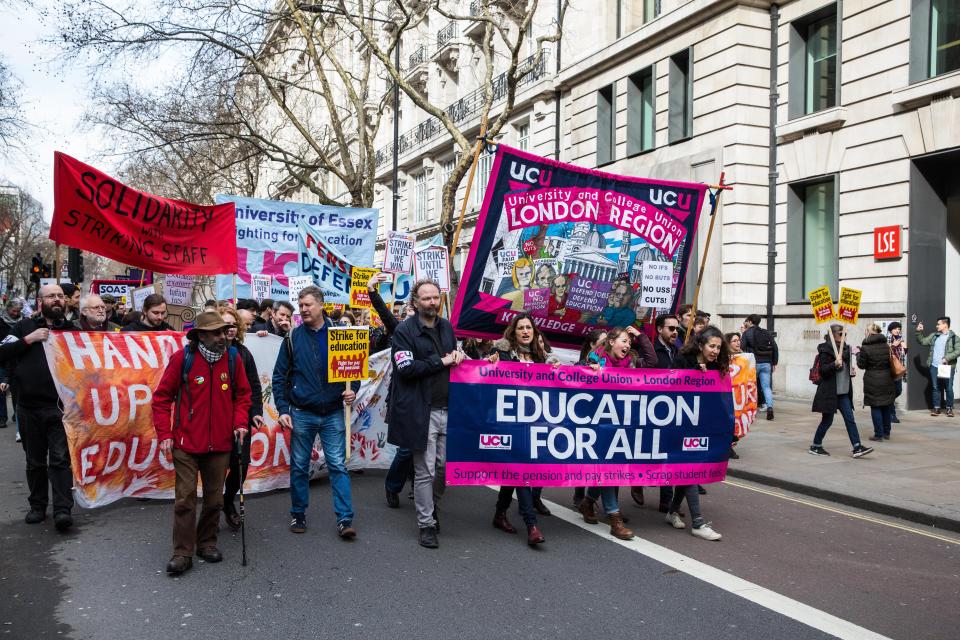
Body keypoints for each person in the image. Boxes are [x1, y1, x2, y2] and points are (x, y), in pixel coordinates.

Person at [152, 311, 252, 574]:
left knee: (214, 500)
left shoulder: (233, 359)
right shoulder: (182, 359)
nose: (223, 336)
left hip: (220, 444)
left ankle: (206, 543)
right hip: (186, 443)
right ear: (202, 336)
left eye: (224, 331)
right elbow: (161, 398)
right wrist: (164, 435)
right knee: (185, 499)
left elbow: (243, 394)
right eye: (217, 333)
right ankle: (182, 552)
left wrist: (240, 422)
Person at [273, 286, 359, 538]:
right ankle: (298, 513)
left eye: (308, 304)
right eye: (300, 306)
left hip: (333, 411)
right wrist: (283, 408)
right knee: (299, 466)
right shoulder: (292, 339)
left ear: (321, 305)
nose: (303, 309)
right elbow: (279, 377)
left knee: (337, 465)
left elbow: (353, 370)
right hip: (302, 412)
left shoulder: (342, 334)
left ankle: (345, 519)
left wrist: (352, 389)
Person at [387, 279, 461, 549]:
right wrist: (440, 361)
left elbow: (455, 355)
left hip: (448, 408)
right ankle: (426, 524)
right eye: (426, 298)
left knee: (443, 468)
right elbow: (405, 368)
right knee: (425, 470)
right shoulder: (404, 331)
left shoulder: (446, 327)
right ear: (415, 303)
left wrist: (461, 356)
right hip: (422, 410)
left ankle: (432, 506)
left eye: (435, 297)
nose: (432, 302)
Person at [0, 284, 79, 530]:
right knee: (35, 461)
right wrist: (28, 340)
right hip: (28, 407)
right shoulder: (23, 327)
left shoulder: (72, 331)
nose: (56, 300)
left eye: (60, 296)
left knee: (59, 459)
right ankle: (37, 506)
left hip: (60, 408)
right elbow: (2, 352)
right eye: (51, 296)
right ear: (40, 301)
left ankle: (63, 510)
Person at [578, 326, 657, 540]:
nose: (628, 345)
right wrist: (590, 374)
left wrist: (641, 337)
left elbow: (651, 363)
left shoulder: (631, 362)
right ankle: (614, 518)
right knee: (609, 469)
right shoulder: (593, 360)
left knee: (614, 468)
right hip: (599, 424)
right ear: (611, 342)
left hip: (623, 423)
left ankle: (587, 502)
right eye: (624, 341)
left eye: (629, 342)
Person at [485, 313, 549, 546]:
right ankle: (531, 525)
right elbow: (484, 376)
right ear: (514, 332)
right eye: (521, 328)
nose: (525, 331)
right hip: (508, 422)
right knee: (522, 472)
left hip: (532, 423)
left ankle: (500, 514)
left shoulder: (541, 357)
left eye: (529, 328)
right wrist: (490, 365)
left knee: (515, 471)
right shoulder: (501, 353)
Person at [667, 326, 728, 541]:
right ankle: (698, 523)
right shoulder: (683, 359)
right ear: (701, 345)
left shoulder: (718, 366)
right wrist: (694, 372)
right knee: (690, 469)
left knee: (689, 471)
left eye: (719, 348)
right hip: (681, 425)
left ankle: (672, 511)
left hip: (703, 426)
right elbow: (670, 389)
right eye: (712, 346)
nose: (715, 351)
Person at [218, 306, 264, 530]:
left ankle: (227, 502)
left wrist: (256, 412)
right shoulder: (209, 352)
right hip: (216, 420)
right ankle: (211, 508)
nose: (230, 329)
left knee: (241, 466)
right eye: (225, 325)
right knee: (215, 468)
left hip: (241, 420)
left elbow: (254, 386)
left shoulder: (244, 353)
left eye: (233, 325)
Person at [810, 324, 874, 458]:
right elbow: (823, 370)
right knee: (827, 421)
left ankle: (857, 447)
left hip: (843, 392)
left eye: (845, 334)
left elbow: (846, 368)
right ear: (833, 335)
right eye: (840, 334)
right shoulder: (826, 350)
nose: (843, 336)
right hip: (830, 392)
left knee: (850, 419)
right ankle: (816, 445)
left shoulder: (846, 349)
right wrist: (834, 364)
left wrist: (851, 371)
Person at [858, 323, 896, 442]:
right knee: (886, 405)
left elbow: (861, 365)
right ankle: (886, 432)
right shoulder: (886, 345)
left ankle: (878, 434)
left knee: (875, 406)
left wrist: (858, 354)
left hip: (872, 379)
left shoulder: (865, 347)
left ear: (869, 333)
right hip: (887, 378)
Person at [915, 317, 959, 417]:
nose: (936, 326)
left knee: (948, 388)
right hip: (934, 366)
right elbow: (923, 341)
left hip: (947, 366)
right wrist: (918, 332)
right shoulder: (934, 336)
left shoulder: (954, 338)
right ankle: (937, 408)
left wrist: (947, 357)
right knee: (936, 387)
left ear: (945, 325)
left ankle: (949, 409)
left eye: (938, 324)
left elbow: (958, 350)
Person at [742, 313, 779, 420]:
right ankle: (770, 407)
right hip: (767, 363)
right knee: (766, 387)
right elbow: (775, 347)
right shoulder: (766, 333)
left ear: (749, 322)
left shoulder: (747, 333)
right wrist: (774, 362)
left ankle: (750, 409)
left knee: (750, 386)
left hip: (753, 364)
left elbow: (742, 347)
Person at [887, 322, 907, 422]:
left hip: (898, 368)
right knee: (892, 392)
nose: (897, 331)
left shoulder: (900, 338)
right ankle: (892, 415)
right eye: (895, 329)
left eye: (899, 329)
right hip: (890, 368)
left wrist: (904, 345)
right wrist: (893, 345)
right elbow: (885, 349)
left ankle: (887, 403)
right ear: (891, 329)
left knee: (898, 390)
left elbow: (905, 351)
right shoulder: (887, 337)